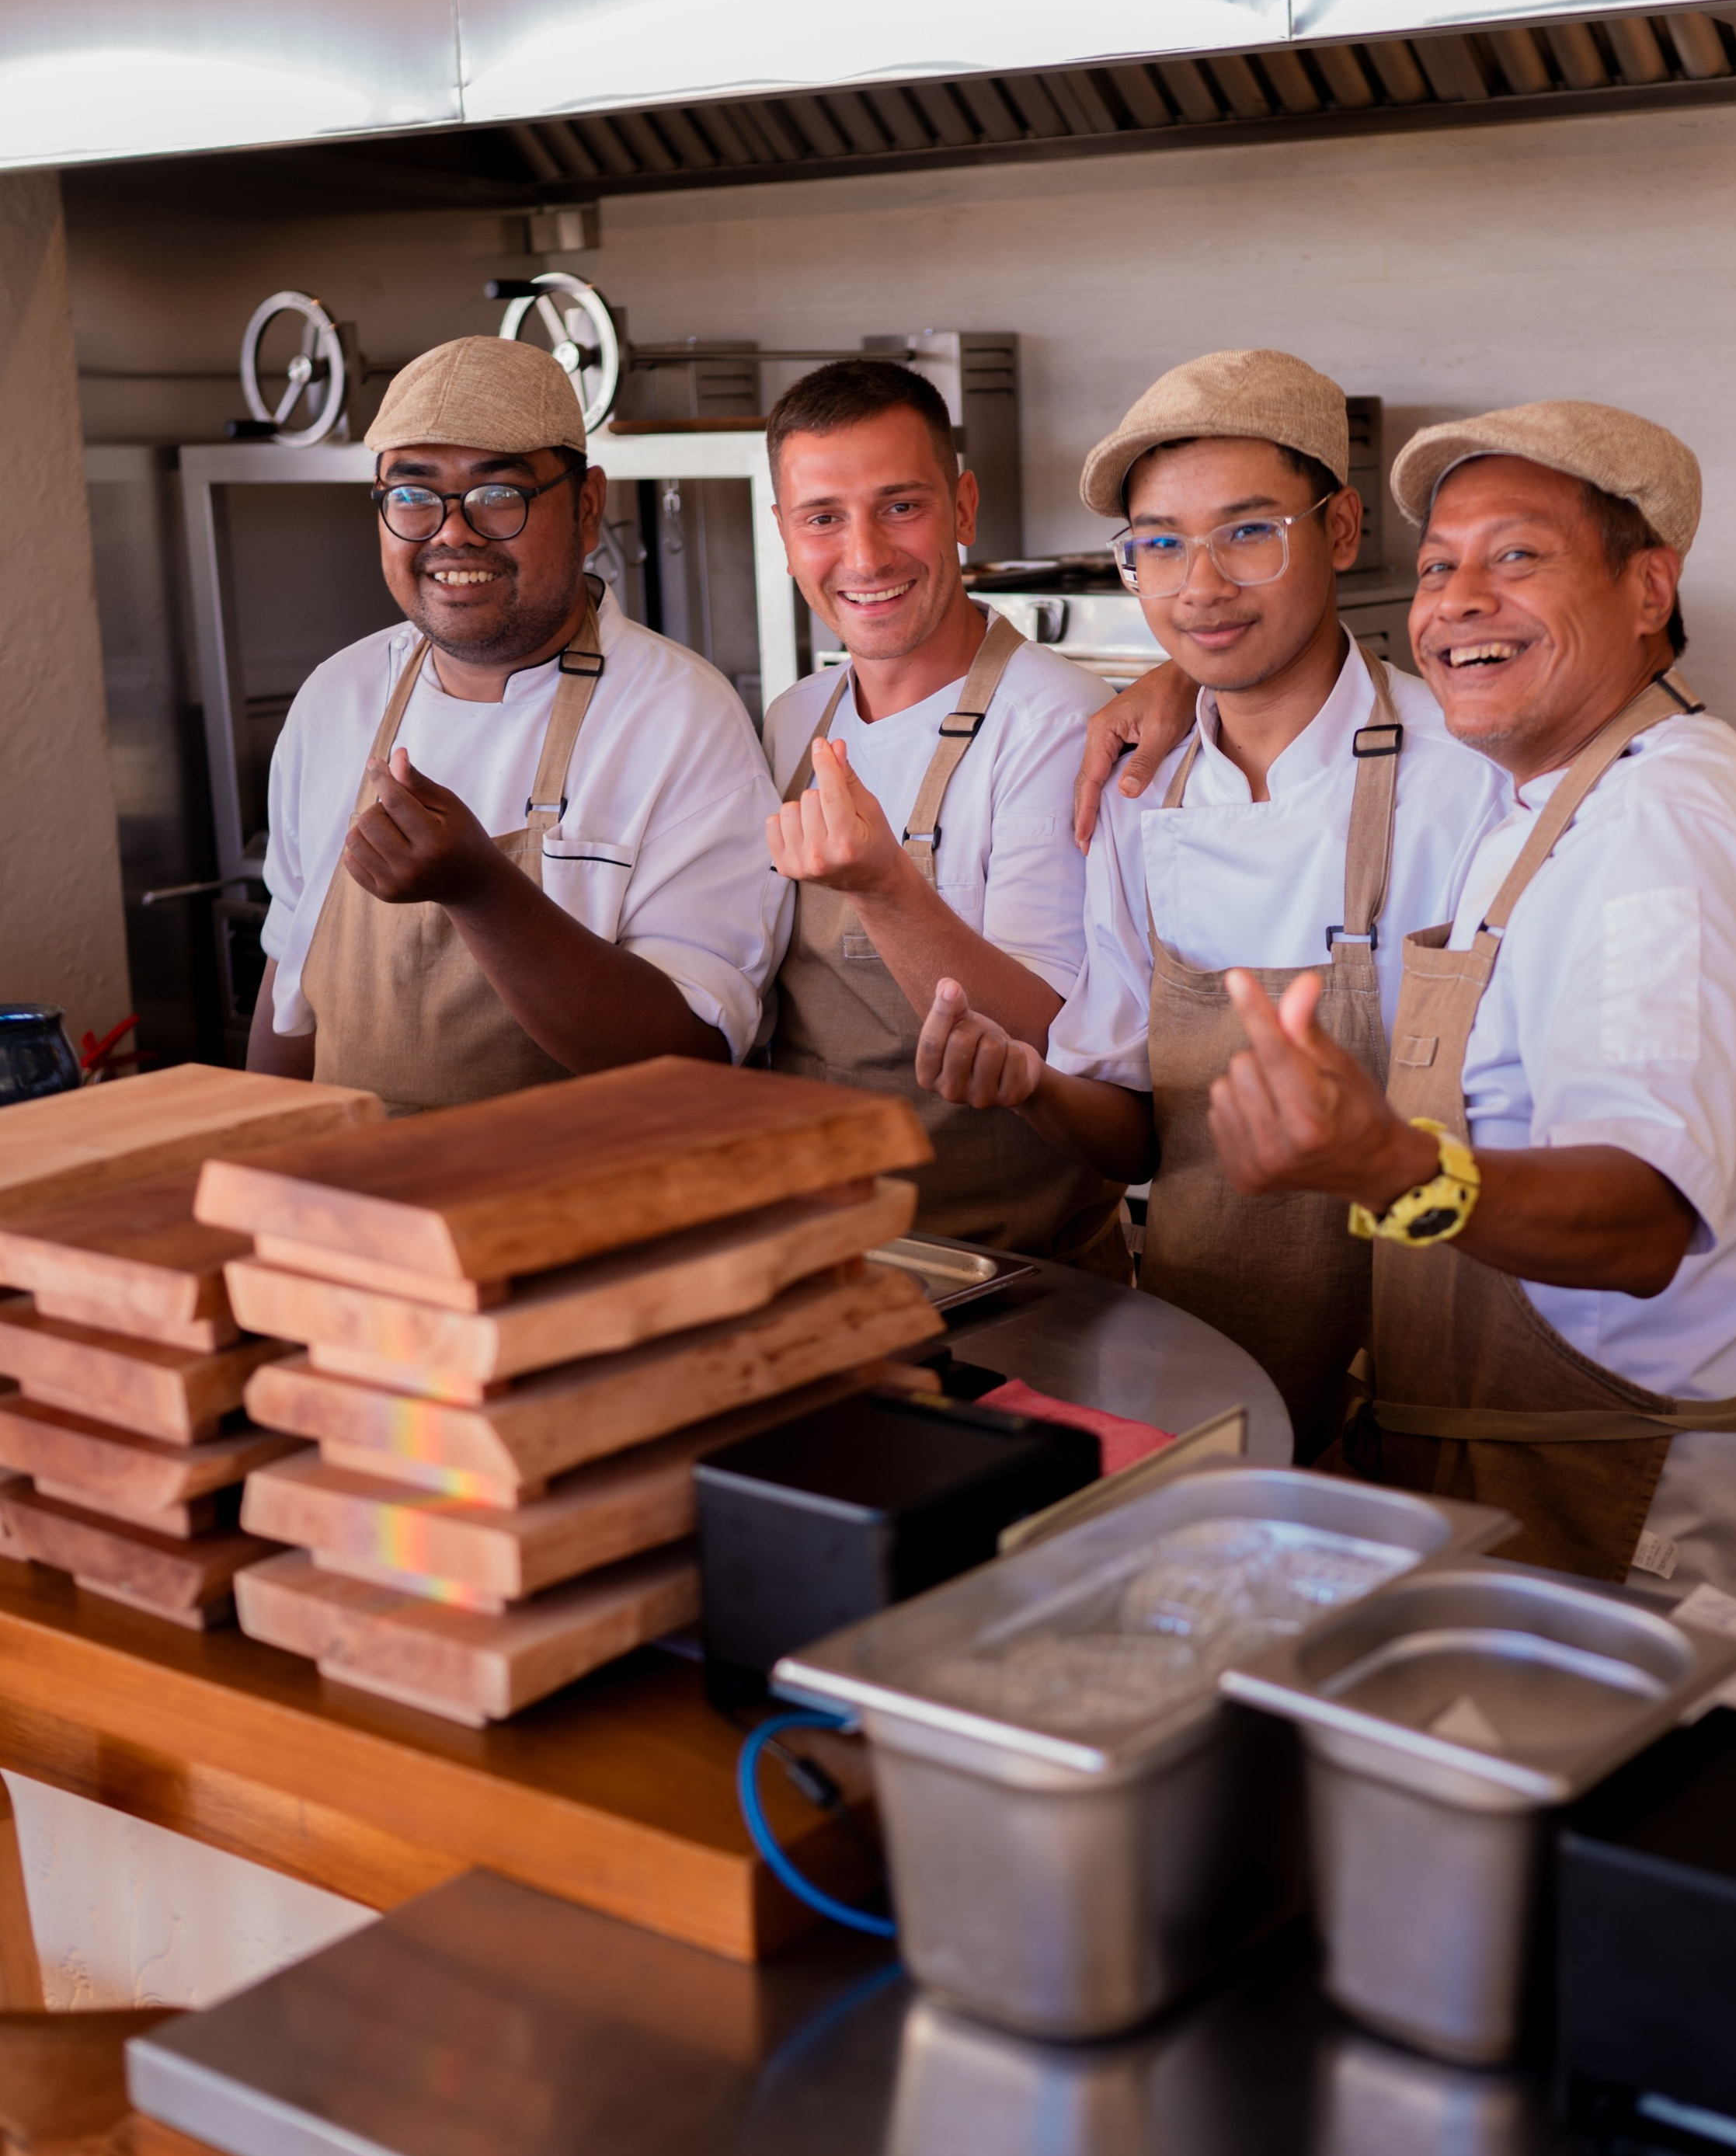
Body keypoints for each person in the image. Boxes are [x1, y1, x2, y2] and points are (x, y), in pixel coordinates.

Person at [1195, 400, 1736, 1607]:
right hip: (1510, 1453)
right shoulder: (1555, 794)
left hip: (1627, 1501)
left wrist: (1389, 1163)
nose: (1456, 602)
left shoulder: (1662, 830)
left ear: (1649, 590)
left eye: (1518, 557)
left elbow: (1639, 1221)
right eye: (1440, 566)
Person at [909, 349, 1501, 1452]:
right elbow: (1136, 1140)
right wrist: (1032, 1084)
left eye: (1247, 532)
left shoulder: (1467, 777)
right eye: (1159, 547)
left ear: (1339, 532)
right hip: (1213, 1360)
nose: (1201, 586)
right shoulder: (1141, 791)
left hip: (1438, 1374)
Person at [250, 335, 788, 1113]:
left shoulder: (680, 718)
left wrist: (485, 894)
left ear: (588, 504)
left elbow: (693, 1055)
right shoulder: (340, 695)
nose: (452, 532)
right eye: (411, 495)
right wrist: (244, 1166)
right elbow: (287, 981)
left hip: (575, 1211)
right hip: (356, 1204)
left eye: (498, 494)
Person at [760, 357, 1125, 1265]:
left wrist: (885, 886)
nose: (865, 555)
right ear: (783, 533)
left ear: (962, 508)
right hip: (829, 1244)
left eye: (901, 505)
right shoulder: (793, 718)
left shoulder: (1055, 722)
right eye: (822, 518)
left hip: (1015, 1270)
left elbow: (1046, 1045)